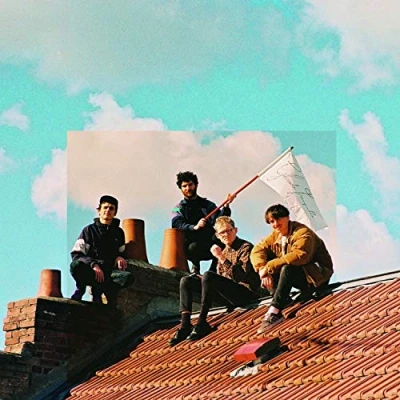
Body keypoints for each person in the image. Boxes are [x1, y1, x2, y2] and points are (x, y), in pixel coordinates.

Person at [169, 216, 261, 346]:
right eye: (222, 232)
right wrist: (202, 280)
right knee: (186, 280)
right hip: (227, 296)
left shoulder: (246, 247)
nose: (226, 235)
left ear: (235, 230)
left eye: (229, 230)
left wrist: (221, 257)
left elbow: (240, 276)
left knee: (208, 275)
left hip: (245, 293)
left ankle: (202, 321)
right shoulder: (224, 251)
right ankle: (185, 325)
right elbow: (221, 277)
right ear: (217, 235)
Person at [250, 204, 333, 333]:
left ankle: (275, 311)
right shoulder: (275, 236)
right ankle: (281, 297)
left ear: (287, 217)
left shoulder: (302, 232)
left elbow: (300, 256)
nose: (275, 224)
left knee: (286, 268)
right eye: (271, 221)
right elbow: (257, 250)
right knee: (267, 264)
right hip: (300, 276)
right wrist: (262, 269)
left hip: (316, 276)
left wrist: (269, 267)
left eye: (278, 219)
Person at [70, 195, 134, 306]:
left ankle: (102, 291)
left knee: (127, 277)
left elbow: (121, 252)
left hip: (108, 273)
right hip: (91, 271)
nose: (108, 210)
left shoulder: (118, 233)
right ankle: (81, 289)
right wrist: (93, 264)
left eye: (111, 208)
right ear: (99, 210)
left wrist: (119, 257)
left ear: (115, 213)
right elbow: (77, 254)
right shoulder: (89, 230)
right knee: (75, 266)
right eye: (105, 207)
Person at [172, 171, 234, 274]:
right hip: (192, 246)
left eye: (190, 185)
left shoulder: (208, 205)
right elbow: (176, 224)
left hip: (210, 244)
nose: (188, 188)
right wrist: (194, 227)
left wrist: (226, 207)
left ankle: (213, 269)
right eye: (184, 186)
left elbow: (220, 221)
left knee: (223, 238)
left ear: (196, 185)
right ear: (180, 188)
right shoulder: (177, 208)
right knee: (192, 247)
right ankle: (195, 267)